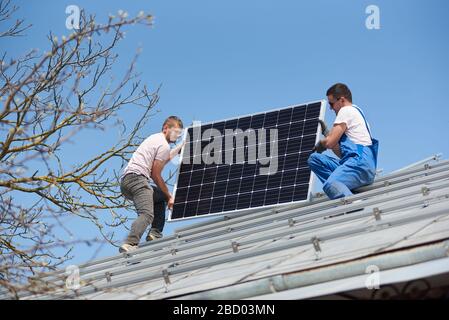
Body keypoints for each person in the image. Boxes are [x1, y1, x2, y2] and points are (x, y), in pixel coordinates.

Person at [119, 116, 184, 253]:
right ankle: (130, 243)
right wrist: (170, 195)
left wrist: (179, 148)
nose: (176, 136)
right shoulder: (163, 144)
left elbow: (161, 161)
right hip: (137, 180)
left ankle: (154, 234)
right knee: (147, 214)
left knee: (160, 198)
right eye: (175, 132)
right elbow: (156, 174)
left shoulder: (155, 139)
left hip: (127, 182)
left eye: (179, 134)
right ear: (166, 128)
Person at [308, 83, 379, 200]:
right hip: (356, 163)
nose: (330, 108)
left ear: (341, 100)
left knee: (330, 184)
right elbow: (341, 153)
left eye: (331, 103)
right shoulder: (355, 113)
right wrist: (327, 134)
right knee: (314, 159)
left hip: (359, 163)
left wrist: (323, 143)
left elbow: (330, 143)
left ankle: (354, 206)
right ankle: (345, 189)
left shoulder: (346, 111)